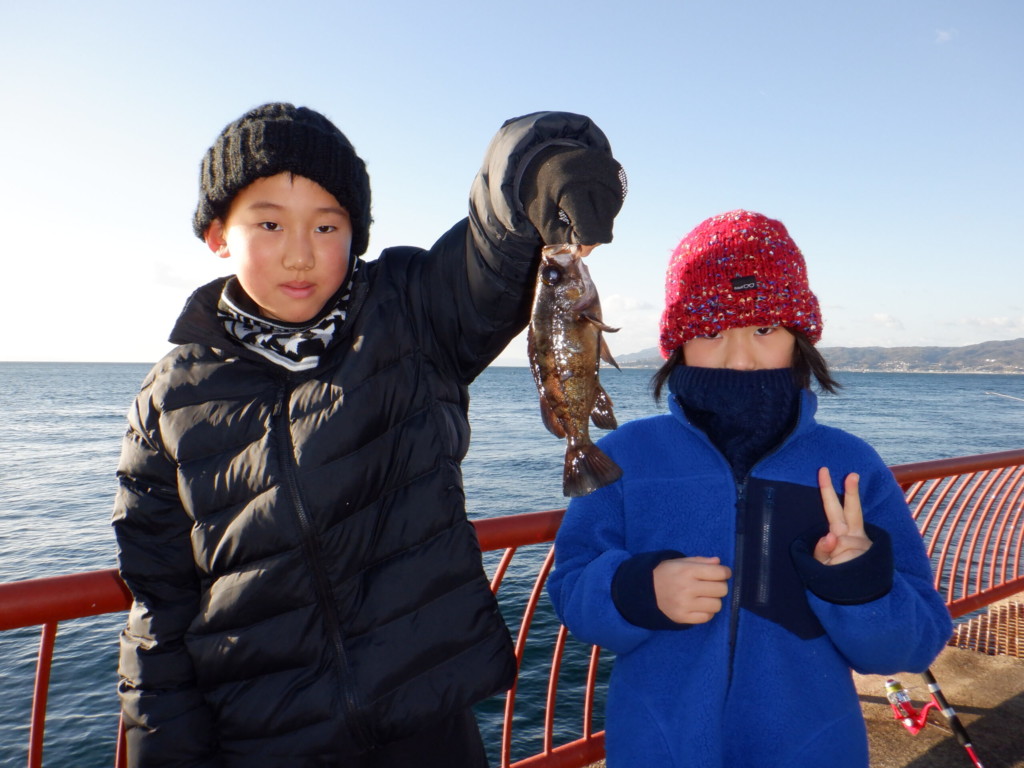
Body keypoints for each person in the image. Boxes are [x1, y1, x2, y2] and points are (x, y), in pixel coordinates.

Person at [111, 103, 626, 768]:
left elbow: (494, 239)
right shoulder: (166, 400)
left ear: (355, 234)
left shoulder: (411, 314)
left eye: (327, 225)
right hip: (262, 747)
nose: (300, 252)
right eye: (269, 223)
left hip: (429, 733)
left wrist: (542, 162)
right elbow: (159, 609)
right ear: (217, 235)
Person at [546, 210, 952, 767]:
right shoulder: (622, 456)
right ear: (678, 341)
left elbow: (913, 644)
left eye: (764, 329)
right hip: (657, 748)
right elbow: (571, 589)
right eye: (711, 331)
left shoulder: (850, 465)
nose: (739, 359)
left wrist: (860, 586)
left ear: (799, 338)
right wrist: (636, 590)